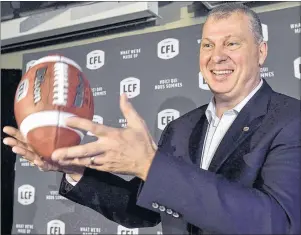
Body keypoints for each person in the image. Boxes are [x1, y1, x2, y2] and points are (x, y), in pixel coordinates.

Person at [3, 3, 300, 234]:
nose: (216, 56)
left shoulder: (290, 120)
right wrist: (74, 169)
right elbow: (144, 208)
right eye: (207, 44)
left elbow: (278, 222)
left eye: (232, 44)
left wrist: (149, 165)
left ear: (261, 52)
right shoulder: (181, 128)